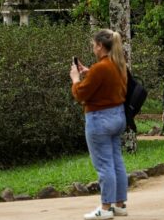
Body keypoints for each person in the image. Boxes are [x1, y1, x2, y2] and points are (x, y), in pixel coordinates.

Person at [70, 29, 129, 220]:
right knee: (116, 161)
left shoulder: (100, 68)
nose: (93, 49)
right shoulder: (118, 64)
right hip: (118, 116)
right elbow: (108, 83)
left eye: (94, 45)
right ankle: (119, 204)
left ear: (100, 46)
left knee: (104, 165)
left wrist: (75, 79)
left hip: (99, 119)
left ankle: (105, 207)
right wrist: (90, 72)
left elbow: (80, 94)